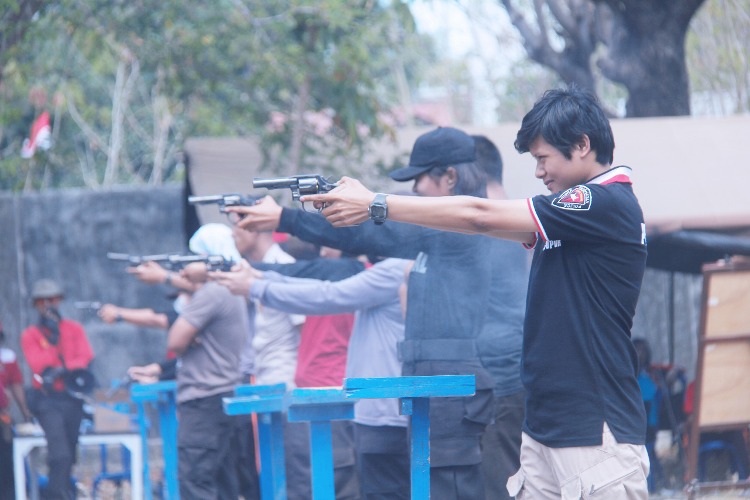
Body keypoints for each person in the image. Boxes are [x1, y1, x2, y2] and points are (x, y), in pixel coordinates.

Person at [301, 85, 651, 499]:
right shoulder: (571, 213)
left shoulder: (604, 201)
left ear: (581, 145)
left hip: (595, 426)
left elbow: (480, 214)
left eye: (543, 158)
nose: (539, 172)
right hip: (546, 426)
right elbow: (469, 222)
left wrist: (378, 203)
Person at [229, 126, 496, 500]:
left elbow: (366, 239)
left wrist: (287, 220)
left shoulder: (454, 233)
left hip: (448, 392)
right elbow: (328, 267)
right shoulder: (433, 239)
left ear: (449, 178)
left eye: (419, 182)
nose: (414, 192)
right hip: (427, 392)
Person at [211, 255, 412, 499]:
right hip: (346, 399)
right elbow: (315, 286)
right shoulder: (372, 272)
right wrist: (261, 278)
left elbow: (326, 294)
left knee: (338, 481)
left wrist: (258, 284)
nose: (324, 251)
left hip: (352, 397)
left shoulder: (386, 271)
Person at [472, 135, 529, 500]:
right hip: (509, 379)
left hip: (502, 382)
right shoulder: (513, 215)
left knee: (502, 487)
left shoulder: (493, 223)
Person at [21, 279, 95, 500]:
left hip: (71, 397)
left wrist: (62, 368)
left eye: (51, 300)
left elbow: (85, 357)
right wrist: (53, 343)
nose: (48, 305)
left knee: (70, 453)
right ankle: (54, 495)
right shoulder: (31, 335)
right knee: (59, 454)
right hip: (47, 400)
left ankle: (63, 491)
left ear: (59, 301)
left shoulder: (74, 329)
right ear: (36, 305)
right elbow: (39, 365)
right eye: (42, 301)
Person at [1, 319, 34, 500]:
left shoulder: (7, 358)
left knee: (6, 465)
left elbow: (15, 386)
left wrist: (25, 413)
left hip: (2, 419)